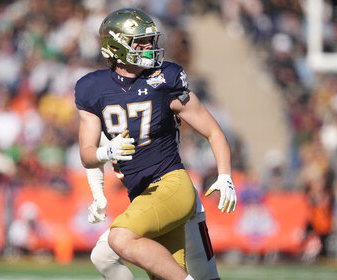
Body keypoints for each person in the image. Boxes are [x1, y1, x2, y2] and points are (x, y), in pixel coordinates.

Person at [75, 8, 236, 280]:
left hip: (172, 184)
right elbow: (87, 154)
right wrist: (106, 152)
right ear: (116, 46)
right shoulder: (92, 88)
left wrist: (225, 175)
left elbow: (213, 131)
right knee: (106, 256)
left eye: (151, 40)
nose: (149, 47)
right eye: (140, 42)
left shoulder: (164, 79)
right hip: (143, 195)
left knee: (120, 239)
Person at [86, 130, 224, 279]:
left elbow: (208, 126)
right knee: (102, 255)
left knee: (205, 276)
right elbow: (90, 153)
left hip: (176, 198)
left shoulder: (152, 113)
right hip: (148, 204)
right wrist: (98, 194)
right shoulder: (102, 116)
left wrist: (225, 175)